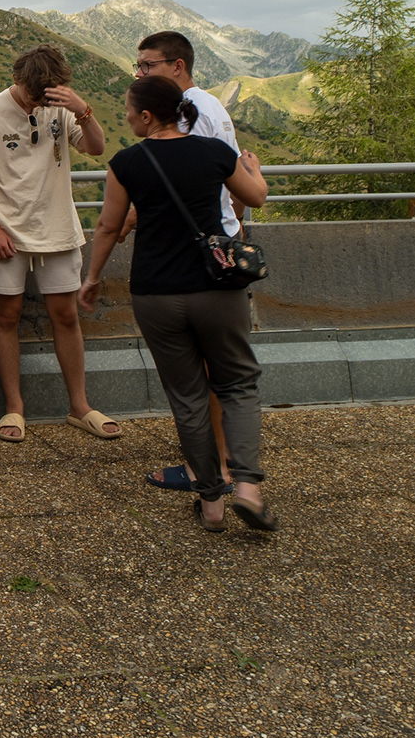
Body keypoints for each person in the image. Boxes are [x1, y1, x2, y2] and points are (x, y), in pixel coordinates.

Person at [80, 76, 275, 534]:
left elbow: (108, 226)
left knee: (188, 396)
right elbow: (255, 197)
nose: (127, 117)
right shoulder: (214, 152)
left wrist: (92, 278)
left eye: (129, 110)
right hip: (217, 288)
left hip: (157, 293)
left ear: (147, 116)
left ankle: (211, 503)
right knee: (237, 384)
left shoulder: (127, 162)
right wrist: (254, 168)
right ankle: (247, 488)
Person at [0, 44, 115, 444]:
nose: (37, 104)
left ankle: (80, 406)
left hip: (58, 229)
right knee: (6, 316)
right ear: (16, 80)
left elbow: (96, 147)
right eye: (32, 96)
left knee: (66, 315)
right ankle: (14, 406)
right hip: (6, 234)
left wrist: (82, 110)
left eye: (44, 97)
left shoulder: (61, 108)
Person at [129, 30, 241, 493]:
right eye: (138, 66)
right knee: (222, 367)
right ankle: (225, 465)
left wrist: (130, 219)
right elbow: (233, 178)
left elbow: (178, 180)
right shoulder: (211, 106)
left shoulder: (189, 113)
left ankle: (209, 469)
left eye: (148, 65)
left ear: (178, 66)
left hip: (193, 254)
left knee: (197, 374)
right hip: (221, 244)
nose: (141, 74)